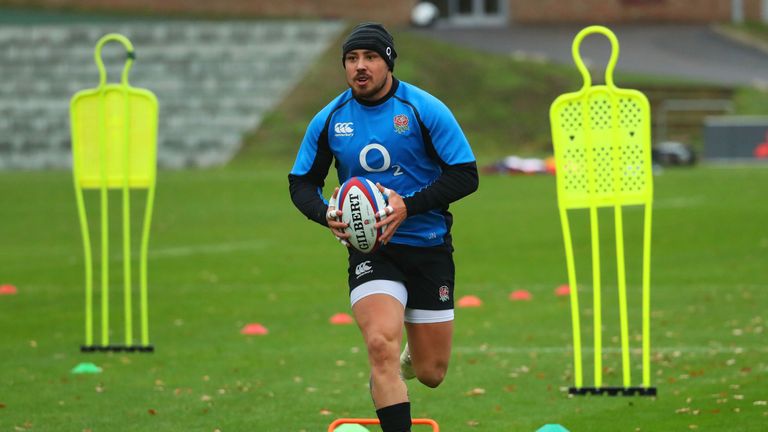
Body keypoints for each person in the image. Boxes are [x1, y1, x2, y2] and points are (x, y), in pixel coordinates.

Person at [288, 22, 478, 432]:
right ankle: (388, 372)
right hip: (372, 249)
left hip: (428, 246)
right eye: (352, 59)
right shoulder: (330, 119)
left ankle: (404, 361)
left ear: (388, 62)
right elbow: (301, 181)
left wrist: (407, 207)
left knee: (431, 373)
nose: (360, 67)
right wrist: (326, 214)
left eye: (370, 57)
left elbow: (465, 175)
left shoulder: (423, 109)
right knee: (379, 345)